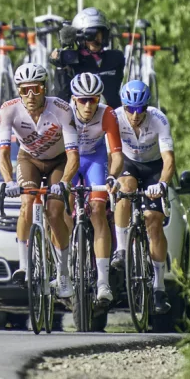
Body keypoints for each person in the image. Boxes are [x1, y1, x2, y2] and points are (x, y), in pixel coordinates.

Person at [0, 63, 79, 298]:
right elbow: (3, 153)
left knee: (54, 213)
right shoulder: (9, 110)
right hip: (29, 159)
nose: (31, 95)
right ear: (19, 91)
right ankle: (24, 266)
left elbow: (73, 156)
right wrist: (9, 181)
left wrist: (64, 182)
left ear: (45, 88)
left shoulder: (62, 109)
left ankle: (63, 274)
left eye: (36, 89)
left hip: (58, 160)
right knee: (26, 204)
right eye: (25, 90)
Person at [111, 80, 175, 315]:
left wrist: (162, 184)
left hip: (153, 168)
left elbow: (169, 160)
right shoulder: (115, 117)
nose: (135, 115)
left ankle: (159, 287)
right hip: (128, 163)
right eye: (130, 109)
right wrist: (111, 178)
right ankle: (121, 249)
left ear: (147, 107)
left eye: (140, 109)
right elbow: (110, 154)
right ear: (123, 106)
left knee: (153, 221)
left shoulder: (159, 120)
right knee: (125, 189)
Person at [68, 73, 124, 303]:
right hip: (69, 160)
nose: (88, 105)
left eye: (93, 99)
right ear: (74, 99)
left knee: (98, 211)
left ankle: (103, 282)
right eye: (83, 100)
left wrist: (111, 176)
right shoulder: (63, 112)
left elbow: (117, 155)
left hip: (95, 160)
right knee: (59, 207)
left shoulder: (107, 113)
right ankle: (61, 267)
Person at [49, 7, 125, 107]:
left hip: (110, 112)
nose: (95, 40)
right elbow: (62, 100)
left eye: (98, 35)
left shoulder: (115, 58)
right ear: (80, 37)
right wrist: (60, 69)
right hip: (83, 113)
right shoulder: (73, 61)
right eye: (90, 35)